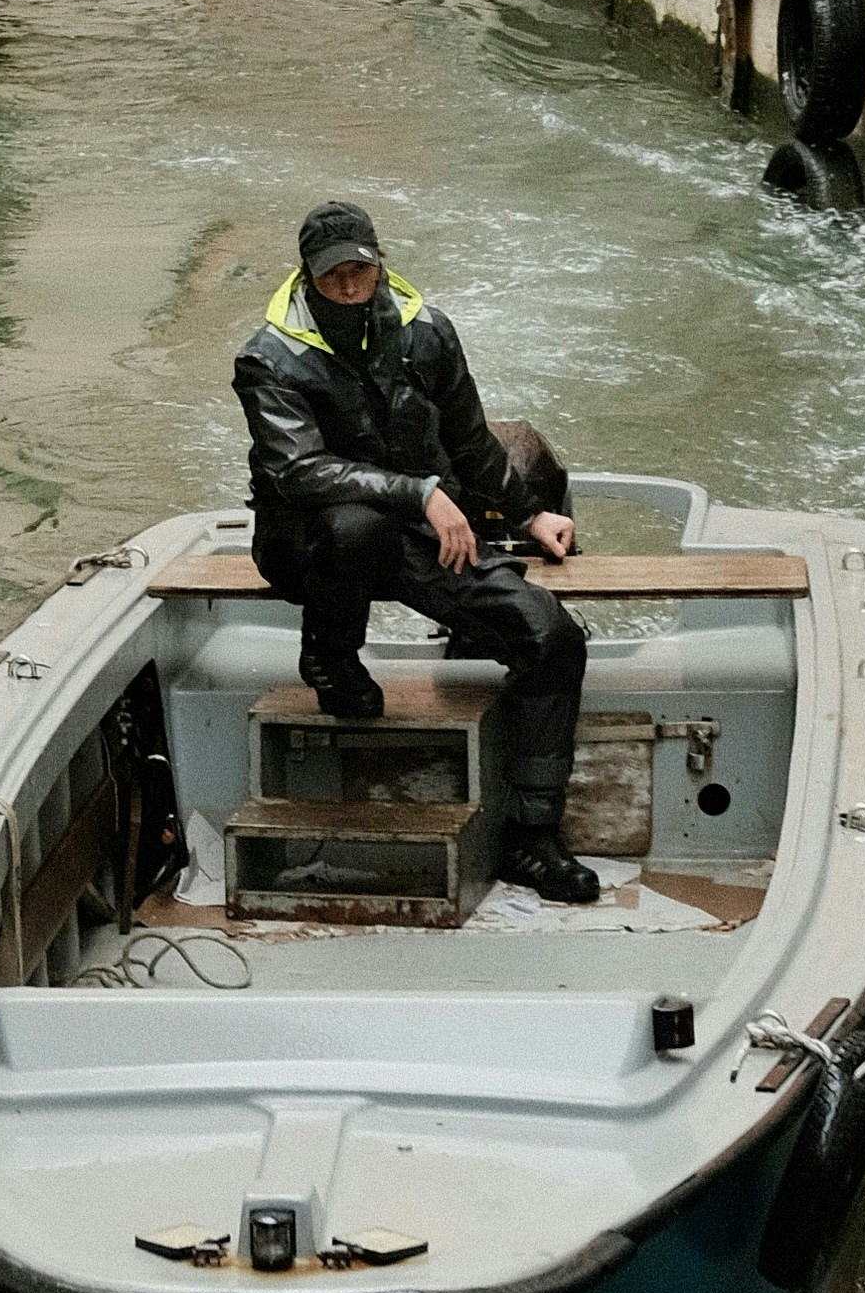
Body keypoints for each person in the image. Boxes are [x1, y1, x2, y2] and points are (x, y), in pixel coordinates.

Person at [232, 199, 600, 903]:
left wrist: (528, 515)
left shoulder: (426, 331)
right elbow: (295, 470)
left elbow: (468, 438)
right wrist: (420, 491)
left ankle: (532, 837)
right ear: (307, 277)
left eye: (359, 269)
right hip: (308, 541)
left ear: (379, 264)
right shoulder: (266, 356)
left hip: (419, 533)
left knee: (549, 637)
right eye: (332, 273)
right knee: (352, 527)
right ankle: (329, 656)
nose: (348, 284)